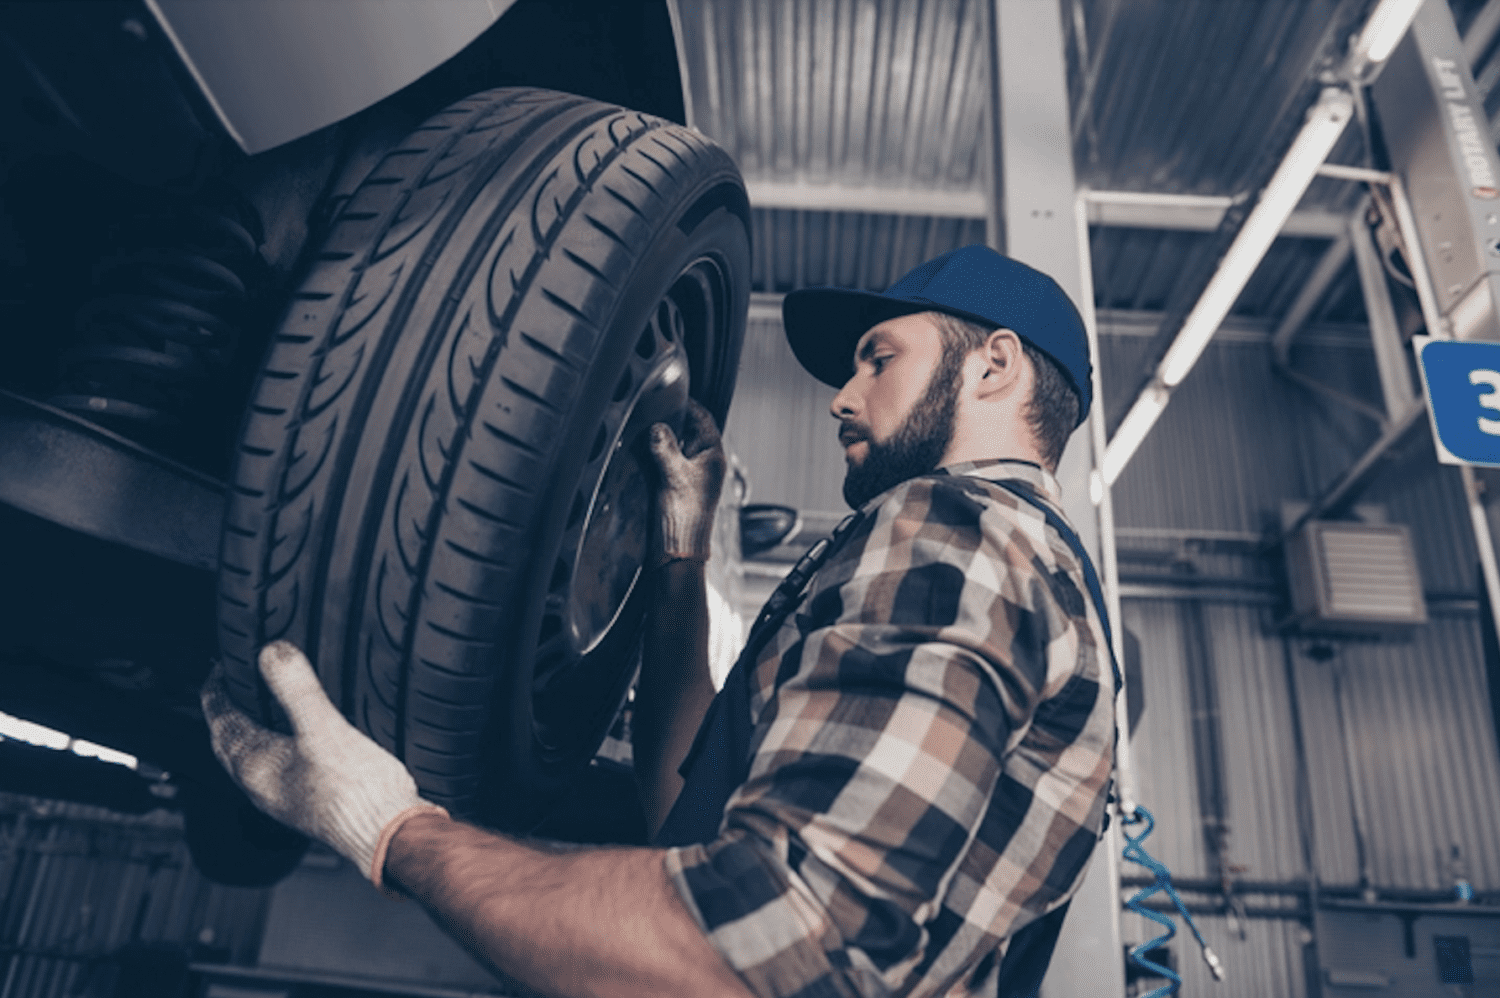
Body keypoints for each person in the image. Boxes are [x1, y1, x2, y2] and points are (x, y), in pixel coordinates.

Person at [201, 244, 1117, 998]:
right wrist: (681, 553)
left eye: (879, 358)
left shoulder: (961, 530)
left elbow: (766, 940)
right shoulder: (1012, 564)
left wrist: (392, 831)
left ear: (993, 365)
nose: (841, 396)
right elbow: (687, 812)